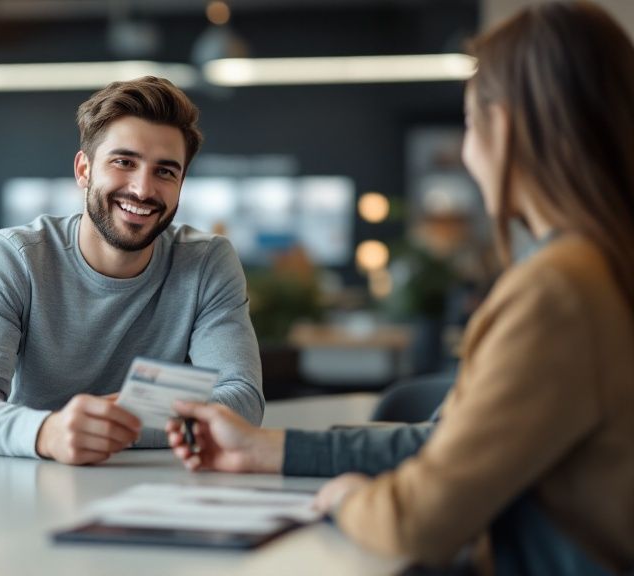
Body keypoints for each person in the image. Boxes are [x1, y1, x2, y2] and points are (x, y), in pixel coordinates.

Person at [167, 2, 634, 573]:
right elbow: (446, 448)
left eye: (469, 125)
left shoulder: (561, 291)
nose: (466, 154)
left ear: (504, 126)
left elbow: (418, 521)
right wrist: (267, 449)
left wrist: (347, 502)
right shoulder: (605, 269)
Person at [0, 76, 264, 465]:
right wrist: (49, 432)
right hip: (10, 478)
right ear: (83, 170)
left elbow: (241, 399)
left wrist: (112, 422)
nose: (143, 189)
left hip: (140, 486)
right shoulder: (13, 257)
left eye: (165, 171)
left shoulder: (207, 261)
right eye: (124, 162)